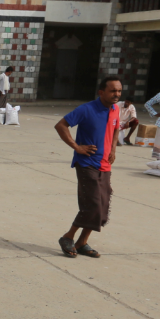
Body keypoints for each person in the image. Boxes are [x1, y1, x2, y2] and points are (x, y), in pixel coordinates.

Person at [54, 77, 122, 259]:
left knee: (103, 209)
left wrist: (113, 149)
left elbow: (116, 129)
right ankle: (68, 237)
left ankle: (82, 242)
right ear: (101, 92)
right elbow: (61, 125)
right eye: (113, 91)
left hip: (105, 165)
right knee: (92, 205)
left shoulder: (116, 110)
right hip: (87, 164)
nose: (117, 94)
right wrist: (77, 147)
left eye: (119, 91)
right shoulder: (86, 109)